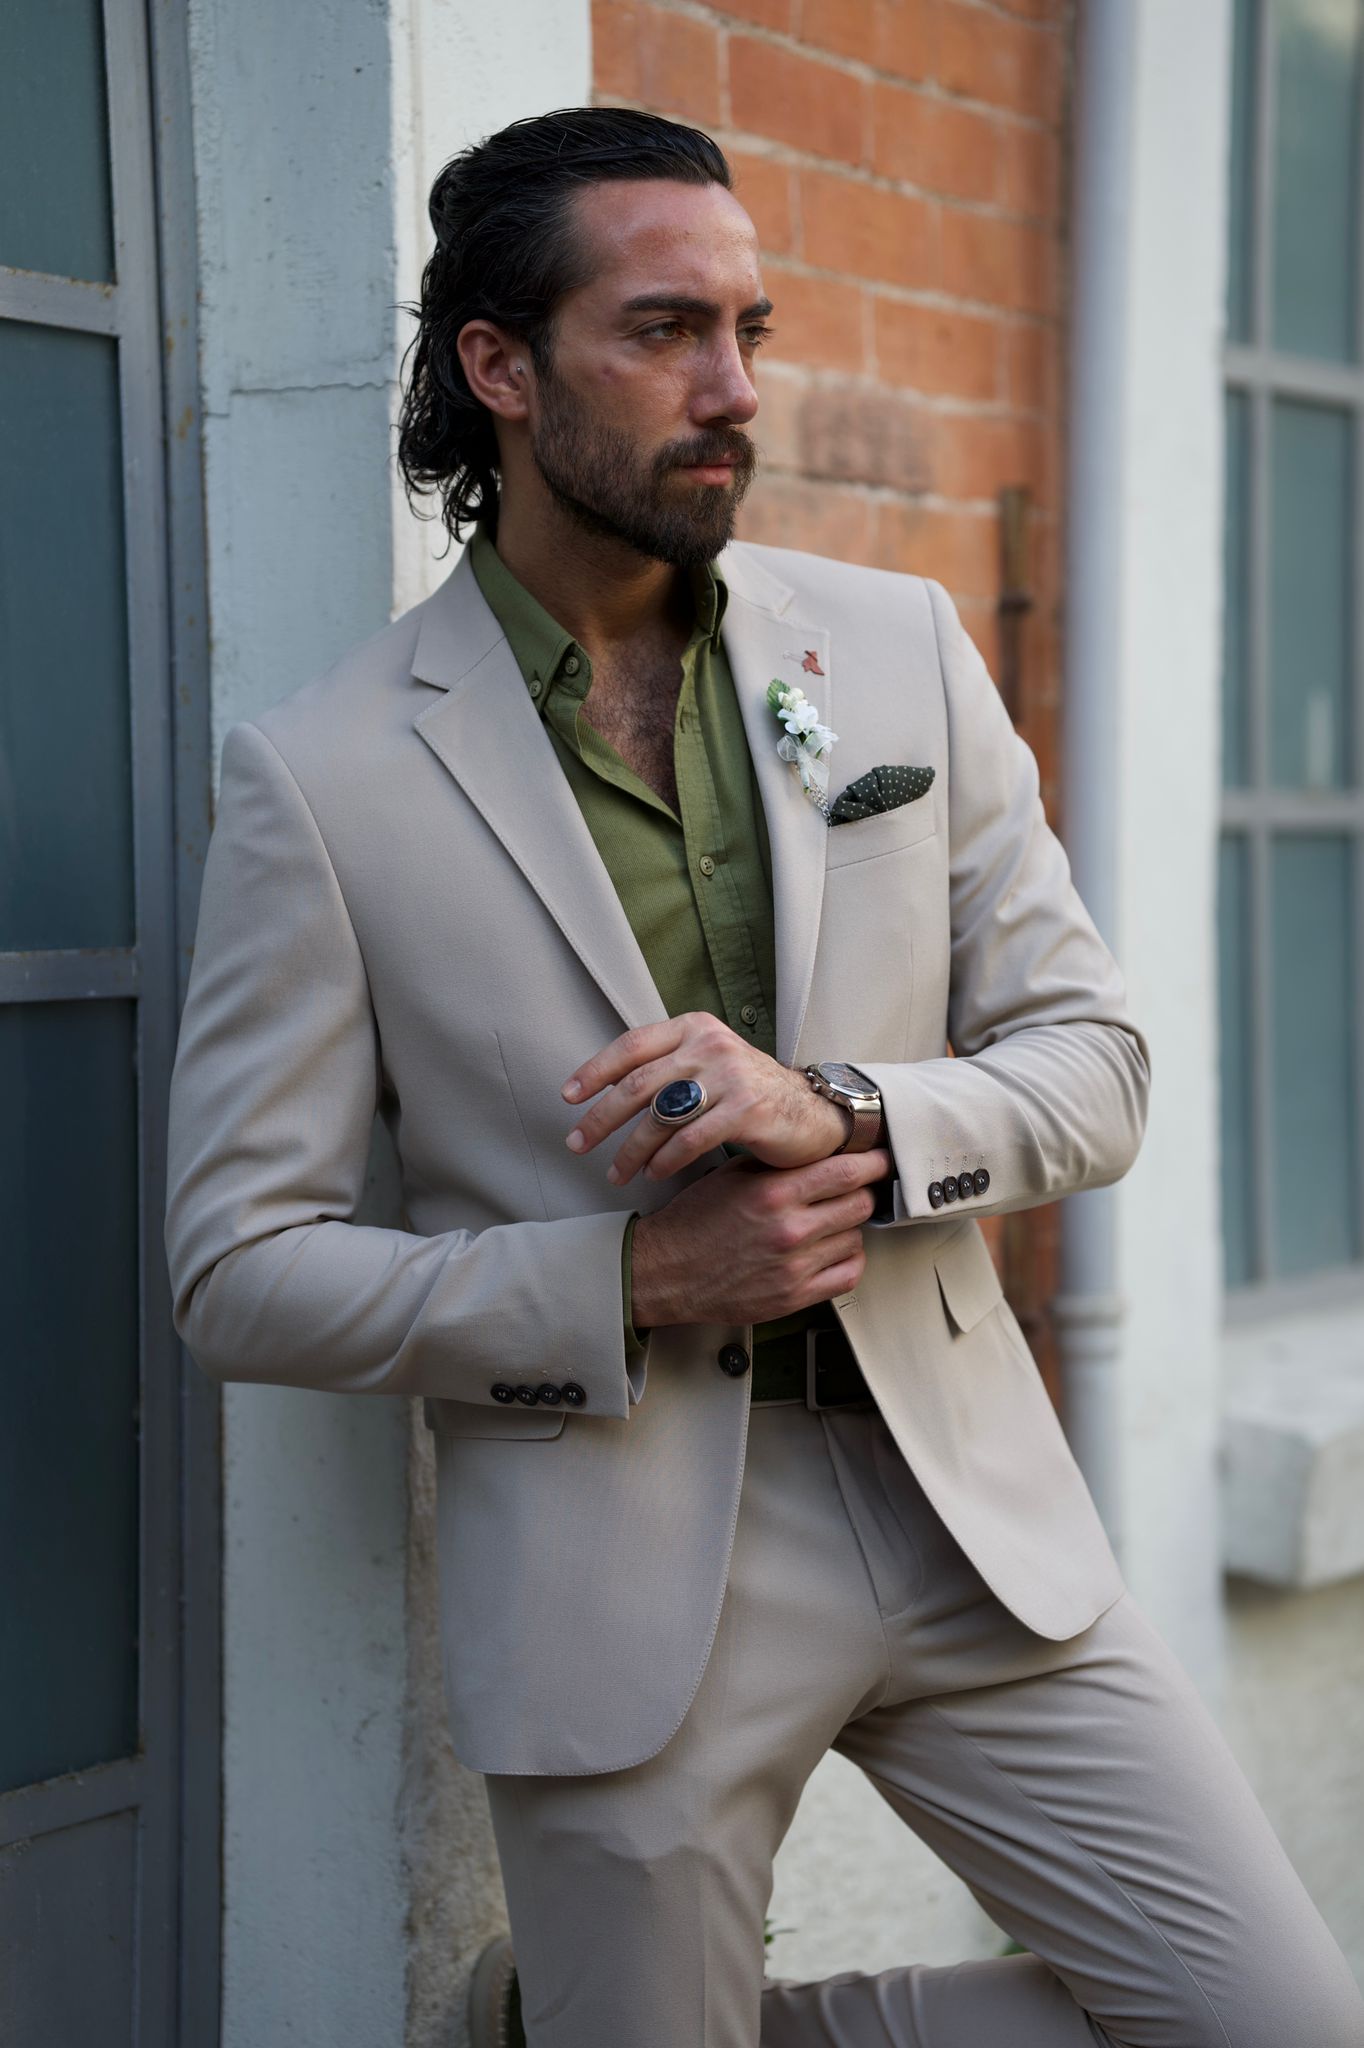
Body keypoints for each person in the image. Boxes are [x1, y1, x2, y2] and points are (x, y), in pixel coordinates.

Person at [164, 106, 1364, 2048]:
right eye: (662, 332)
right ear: (499, 365)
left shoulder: (892, 654)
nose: (735, 390)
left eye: (752, 327)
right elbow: (235, 1262)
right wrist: (621, 1281)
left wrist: (860, 1115)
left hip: (967, 1514)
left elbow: (1101, 1065)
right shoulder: (324, 777)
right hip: (618, 1568)